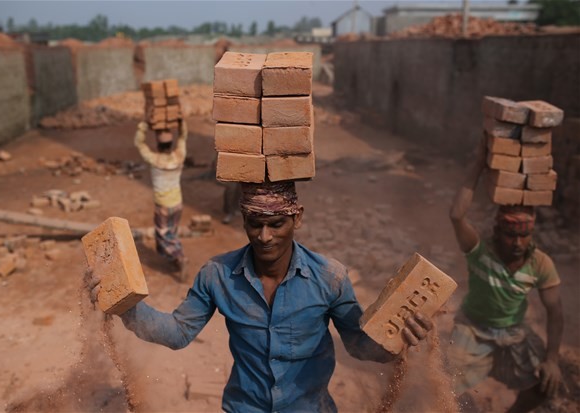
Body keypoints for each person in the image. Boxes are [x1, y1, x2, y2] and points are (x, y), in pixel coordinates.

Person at [88, 181, 433, 413]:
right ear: (243, 220)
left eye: (276, 223)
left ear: (297, 218)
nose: (264, 236)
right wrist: (124, 304)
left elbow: (358, 344)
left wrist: (399, 339)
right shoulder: (217, 275)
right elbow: (178, 333)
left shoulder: (330, 278)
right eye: (254, 223)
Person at [448, 138, 564, 413]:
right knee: (446, 384)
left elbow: (555, 312)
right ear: (497, 232)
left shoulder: (539, 263)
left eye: (524, 236)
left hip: (513, 333)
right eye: (511, 235)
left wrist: (553, 359)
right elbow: (456, 215)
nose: (517, 243)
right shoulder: (480, 250)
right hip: (472, 329)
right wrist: (479, 163)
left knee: (546, 383)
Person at [134, 120, 188, 279]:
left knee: (163, 235)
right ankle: (174, 260)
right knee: (172, 232)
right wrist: (181, 123)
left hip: (163, 205)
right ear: (171, 144)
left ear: (158, 146)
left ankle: (179, 257)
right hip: (177, 202)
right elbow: (183, 137)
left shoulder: (154, 159)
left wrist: (143, 125)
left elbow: (139, 143)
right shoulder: (179, 155)